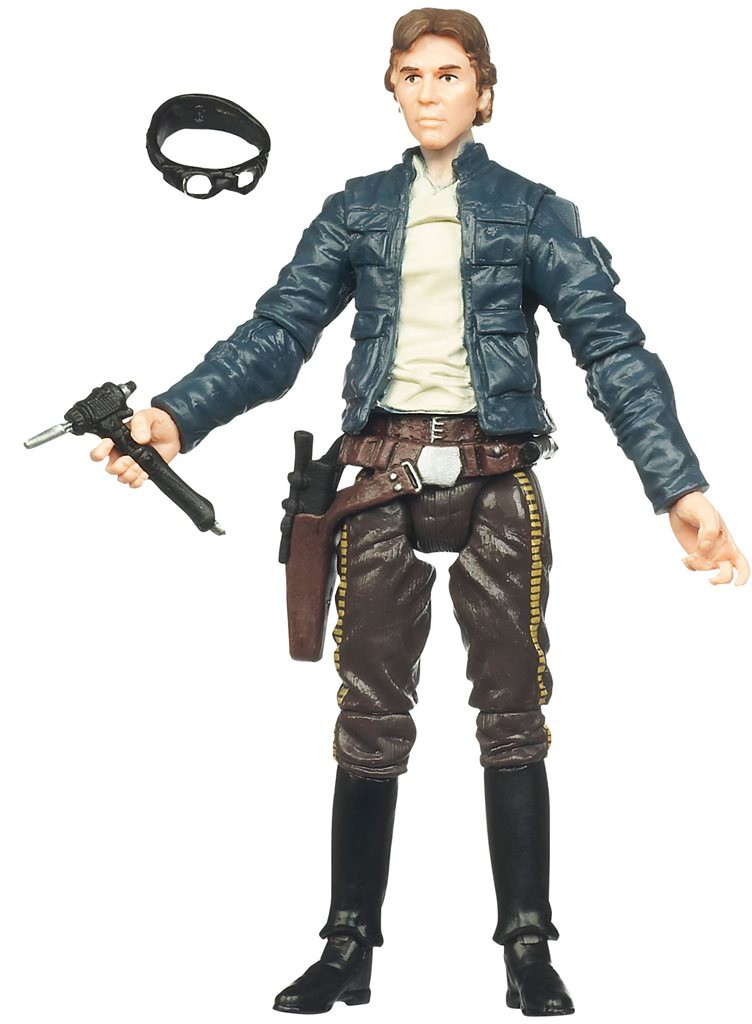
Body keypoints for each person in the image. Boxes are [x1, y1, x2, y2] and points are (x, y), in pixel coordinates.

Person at [91, 8, 748, 1017]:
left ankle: (526, 945)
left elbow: (611, 348)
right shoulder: (356, 210)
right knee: (368, 713)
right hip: (378, 477)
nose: (430, 91)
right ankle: (347, 941)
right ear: (391, 88)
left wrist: (678, 486)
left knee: (513, 710)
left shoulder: (531, 212)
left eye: (450, 74)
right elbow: (279, 332)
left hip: (495, 476)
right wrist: (178, 414)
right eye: (412, 74)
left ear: (484, 90)